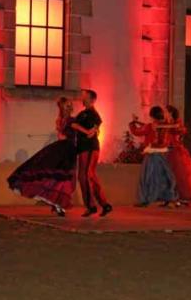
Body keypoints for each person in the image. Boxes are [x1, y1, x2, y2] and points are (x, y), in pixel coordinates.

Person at [7, 97, 77, 217]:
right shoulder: (62, 120)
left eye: (69, 105)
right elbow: (62, 136)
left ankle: (58, 204)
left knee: (61, 178)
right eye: (65, 106)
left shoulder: (71, 120)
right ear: (62, 107)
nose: (67, 108)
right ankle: (57, 204)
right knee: (55, 175)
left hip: (68, 151)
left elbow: (69, 136)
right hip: (63, 149)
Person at [71, 89, 112, 217]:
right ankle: (96, 205)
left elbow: (94, 128)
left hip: (90, 148)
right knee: (84, 177)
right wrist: (83, 130)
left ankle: (99, 205)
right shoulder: (82, 114)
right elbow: (73, 125)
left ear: (93, 99)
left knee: (87, 175)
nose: (83, 98)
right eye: (83, 96)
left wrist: (88, 130)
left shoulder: (94, 113)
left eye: (85, 96)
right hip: (83, 148)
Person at [129, 106, 177, 207]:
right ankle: (168, 198)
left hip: (152, 155)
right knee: (164, 177)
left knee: (147, 178)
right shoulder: (167, 126)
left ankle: (145, 200)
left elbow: (136, 132)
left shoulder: (150, 126)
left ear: (152, 116)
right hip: (163, 155)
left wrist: (133, 123)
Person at [163, 105, 191, 207]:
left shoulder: (177, 122)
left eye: (166, 112)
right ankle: (170, 198)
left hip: (176, 152)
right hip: (168, 151)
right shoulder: (165, 123)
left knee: (179, 176)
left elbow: (180, 129)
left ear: (170, 112)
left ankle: (180, 198)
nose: (164, 114)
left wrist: (165, 126)